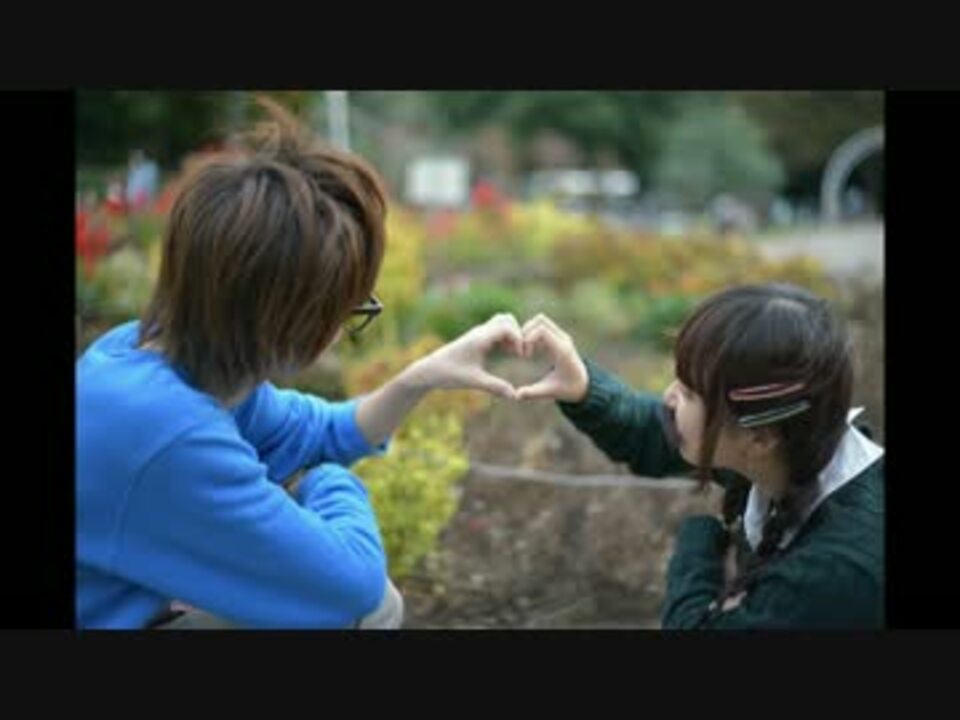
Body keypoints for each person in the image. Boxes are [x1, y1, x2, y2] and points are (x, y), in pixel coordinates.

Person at [76, 97, 525, 630]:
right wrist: (327, 478)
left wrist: (419, 378)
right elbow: (351, 587)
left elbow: (322, 429)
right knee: (375, 610)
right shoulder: (169, 434)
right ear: (297, 318)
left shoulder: (156, 354)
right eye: (352, 307)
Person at [514, 283, 884, 629]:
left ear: (759, 437)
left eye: (689, 393)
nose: (668, 396)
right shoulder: (793, 448)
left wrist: (700, 543)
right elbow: (653, 433)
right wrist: (582, 386)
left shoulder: (838, 573)